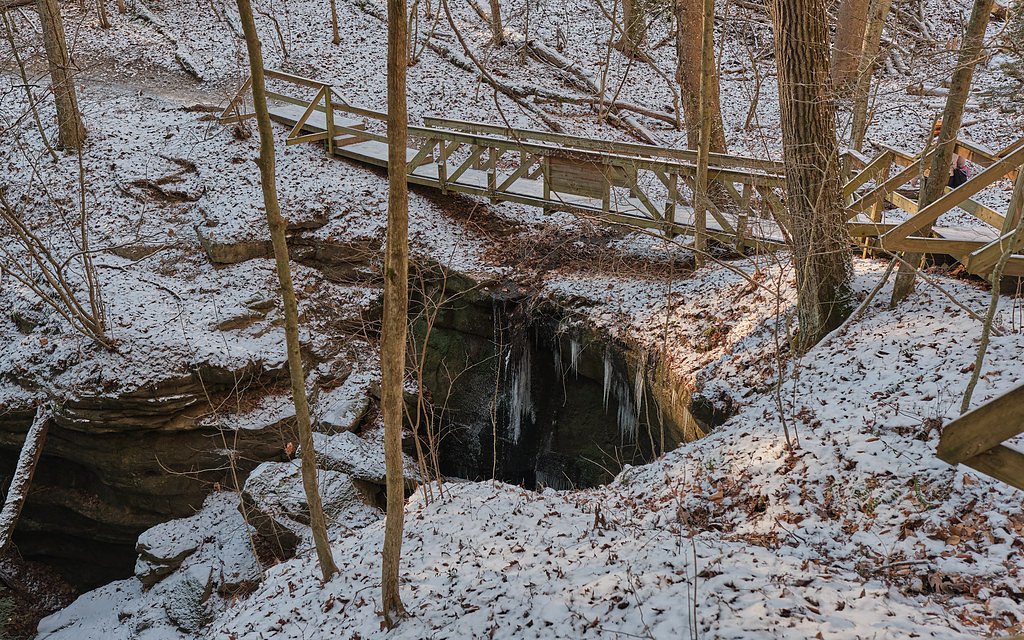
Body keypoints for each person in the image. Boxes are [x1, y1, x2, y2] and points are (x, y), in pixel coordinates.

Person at [933, 120, 970, 188]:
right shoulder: (956, 143)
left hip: (933, 176)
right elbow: (961, 163)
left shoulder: (932, 144)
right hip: (950, 174)